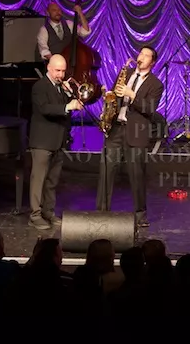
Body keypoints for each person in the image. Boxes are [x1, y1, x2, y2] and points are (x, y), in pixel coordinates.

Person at [96, 46, 165, 227]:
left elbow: (150, 109)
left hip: (136, 132)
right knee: (106, 171)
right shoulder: (125, 74)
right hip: (116, 129)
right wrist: (108, 101)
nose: (141, 57)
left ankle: (140, 216)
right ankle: (101, 212)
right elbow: (114, 96)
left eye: (146, 55)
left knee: (137, 174)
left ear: (153, 62)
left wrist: (132, 95)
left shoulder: (156, 84)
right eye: (140, 53)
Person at [27, 55, 83, 230]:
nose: (61, 74)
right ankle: (35, 215)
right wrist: (68, 106)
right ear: (49, 68)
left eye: (63, 71)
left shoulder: (60, 88)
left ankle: (48, 212)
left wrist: (68, 95)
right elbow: (45, 108)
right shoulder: (40, 86)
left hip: (58, 141)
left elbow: (64, 112)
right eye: (57, 70)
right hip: (43, 141)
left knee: (52, 181)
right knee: (39, 180)